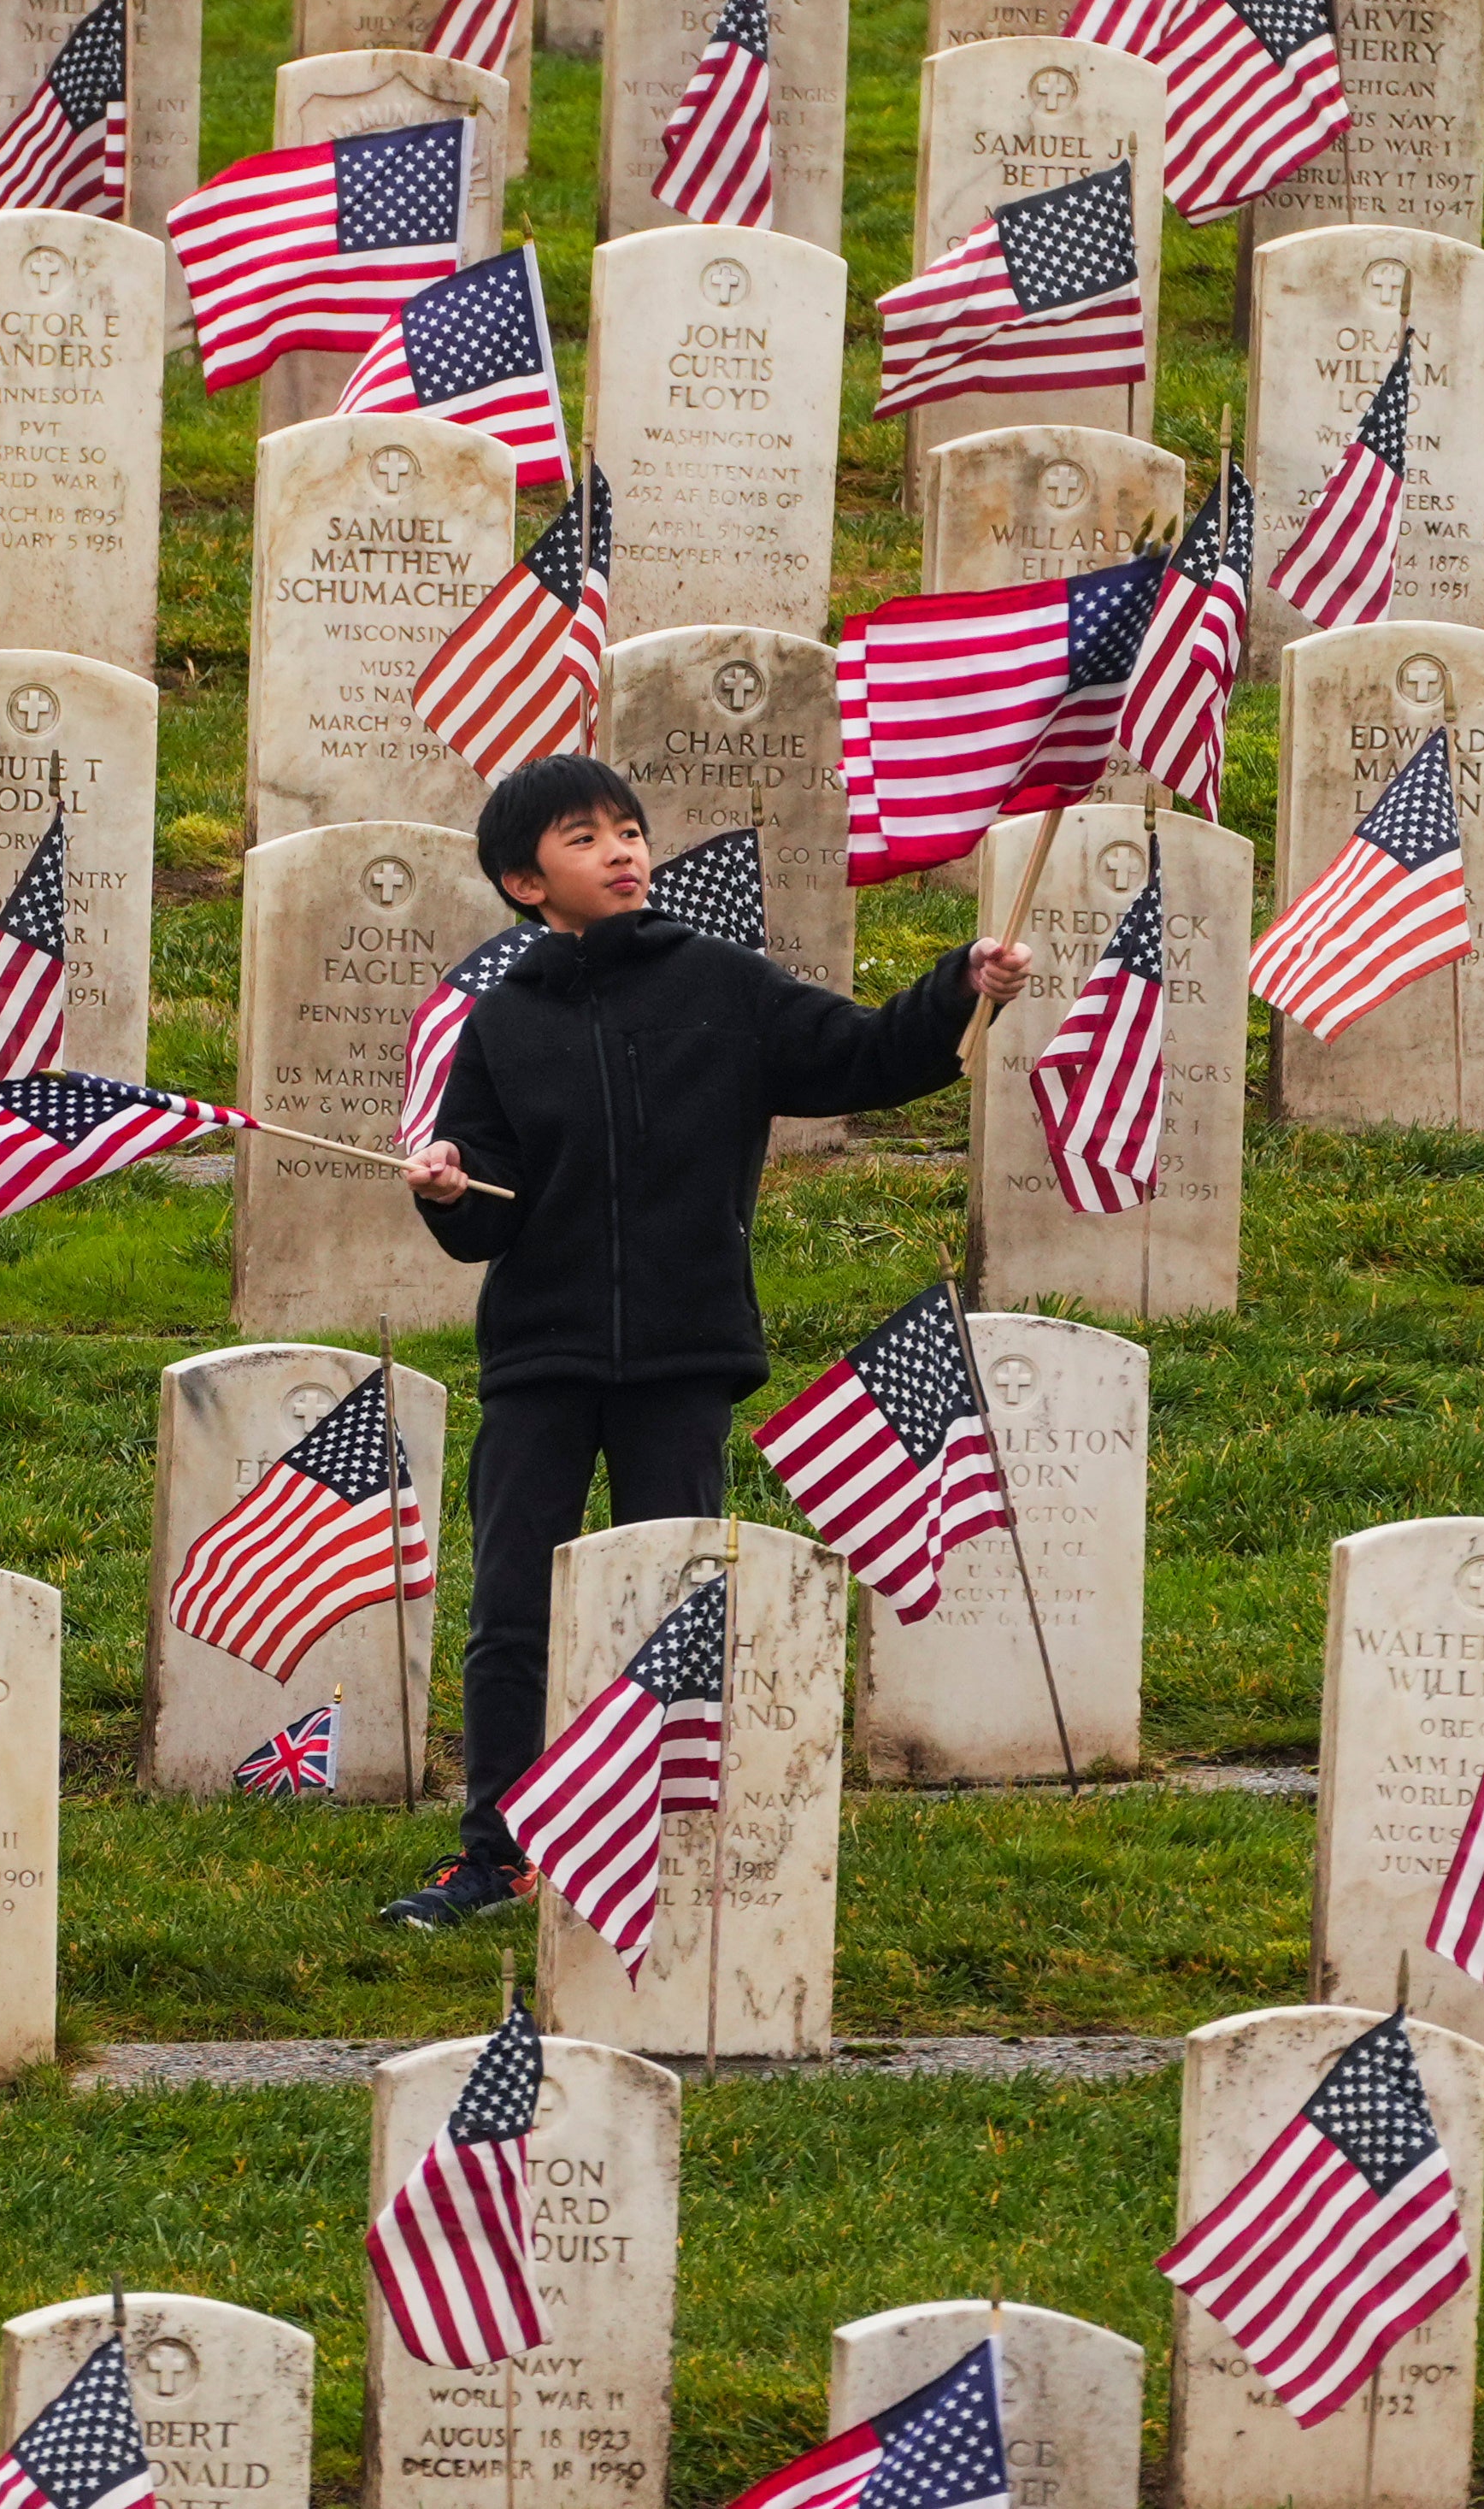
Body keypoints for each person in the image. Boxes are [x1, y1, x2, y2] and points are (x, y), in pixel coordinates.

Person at [376, 755, 1029, 1930]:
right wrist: (446, 1186)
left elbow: (867, 1055)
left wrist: (958, 986)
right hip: (540, 1357)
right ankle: (497, 1849)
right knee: (513, 1608)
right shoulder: (501, 1025)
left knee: (669, 1599)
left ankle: (661, 1835)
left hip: (682, 1354)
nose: (623, 851)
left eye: (628, 829)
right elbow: (482, 1220)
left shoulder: (718, 982)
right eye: (585, 839)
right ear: (526, 884)